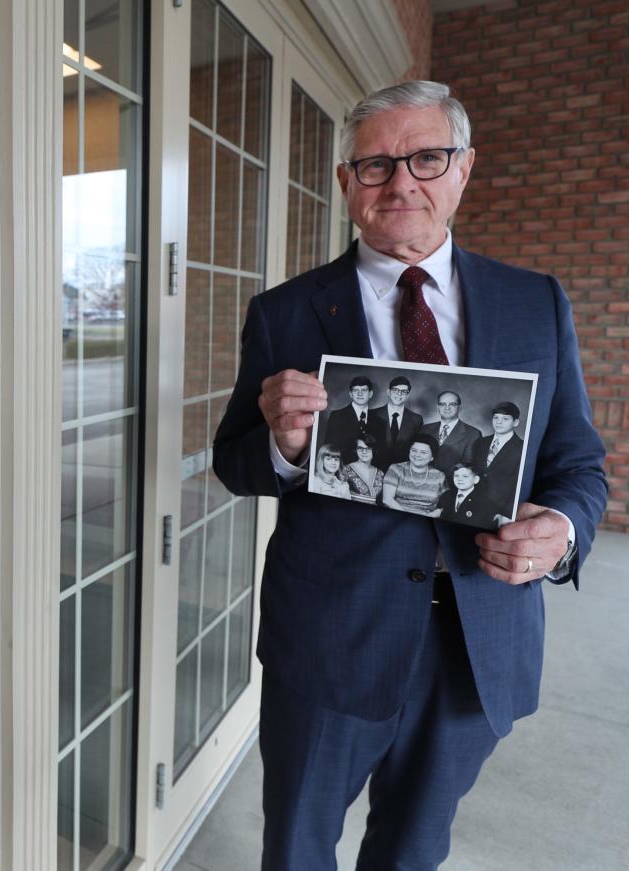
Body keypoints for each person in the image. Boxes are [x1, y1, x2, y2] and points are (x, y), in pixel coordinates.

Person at [212, 80, 607, 871]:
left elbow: (578, 463)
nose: (402, 183)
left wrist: (558, 533)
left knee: (414, 849)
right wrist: (286, 444)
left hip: (477, 637)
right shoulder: (286, 313)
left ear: (462, 169)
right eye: (376, 164)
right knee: (296, 845)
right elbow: (234, 460)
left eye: (426, 158)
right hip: (331, 635)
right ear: (345, 183)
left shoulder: (537, 303)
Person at [471, 401, 527, 523]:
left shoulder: (522, 448)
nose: (499, 422)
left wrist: (507, 513)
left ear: (515, 422)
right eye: (496, 418)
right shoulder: (480, 443)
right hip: (474, 505)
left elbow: (518, 485)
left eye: (505, 419)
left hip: (500, 511)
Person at [419, 390, 482, 474]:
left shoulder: (473, 434)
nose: (447, 407)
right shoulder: (424, 429)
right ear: (437, 407)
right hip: (422, 480)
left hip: (451, 484)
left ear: (460, 407)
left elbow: (469, 465)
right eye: (442, 404)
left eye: (452, 404)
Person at [382, 433, 446, 517]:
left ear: (432, 457)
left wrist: (434, 514)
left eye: (423, 452)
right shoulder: (396, 469)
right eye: (414, 450)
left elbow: (446, 506)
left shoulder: (440, 476)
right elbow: (387, 500)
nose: (417, 455)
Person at [319, 375, 377, 463]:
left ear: (370, 394)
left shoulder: (378, 418)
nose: (360, 394)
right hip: (343, 470)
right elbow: (330, 449)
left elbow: (380, 451)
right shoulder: (337, 416)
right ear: (350, 394)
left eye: (364, 390)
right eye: (356, 390)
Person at [370, 375, 423, 468]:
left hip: (403, 471)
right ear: (388, 392)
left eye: (404, 392)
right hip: (375, 468)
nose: (399, 394)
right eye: (396, 390)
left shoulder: (416, 419)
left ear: (408, 395)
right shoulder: (373, 415)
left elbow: (417, 448)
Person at [437, 462, 497, 529]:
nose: (459, 479)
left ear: (476, 480)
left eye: (465, 476)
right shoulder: (446, 496)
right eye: (456, 476)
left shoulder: (484, 502)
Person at [340, 434, 385, 505]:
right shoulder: (347, 470)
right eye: (360, 448)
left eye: (368, 448)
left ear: (374, 450)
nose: (364, 452)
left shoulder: (380, 473)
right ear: (355, 450)